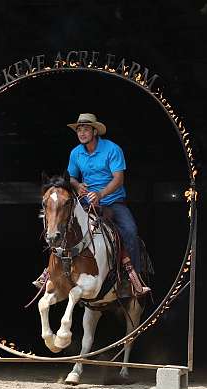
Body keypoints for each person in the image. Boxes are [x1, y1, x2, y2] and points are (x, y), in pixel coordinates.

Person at [34, 113, 150, 296]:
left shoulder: (112, 149)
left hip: (112, 202)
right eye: (79, 129)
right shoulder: (76, 153)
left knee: (130, 230)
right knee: (62, 224)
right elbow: (71, 177)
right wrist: (78, 185)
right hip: (86, 202)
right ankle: (50, 273)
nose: (82, 133)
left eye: (86, 129)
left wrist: (101, 193)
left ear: (95, 131)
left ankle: (131, 279)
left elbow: (118, 179)